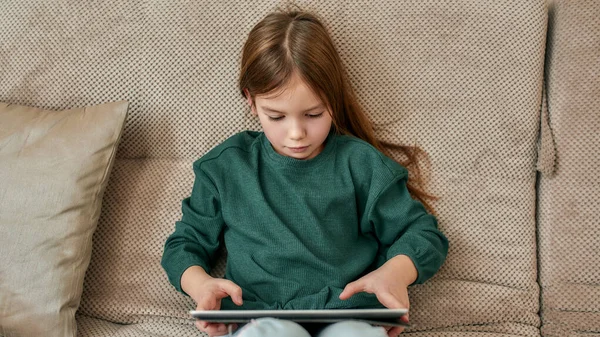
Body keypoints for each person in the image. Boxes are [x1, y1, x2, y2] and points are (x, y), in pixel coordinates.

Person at [161, 6, 449, 337]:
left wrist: (396, 273)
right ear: (251, 102)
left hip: (349, 316)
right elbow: (184, 243)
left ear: (334, 101)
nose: (296, 133)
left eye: (313, 114)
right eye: (277, 116)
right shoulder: (226, 167)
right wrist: (201, 285)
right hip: (259, 318)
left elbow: (424, 235)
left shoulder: (361, 165)